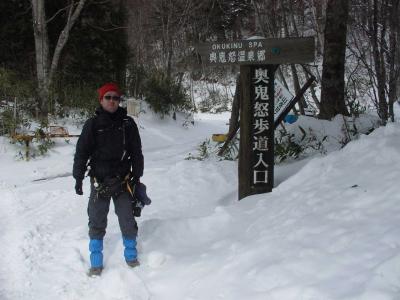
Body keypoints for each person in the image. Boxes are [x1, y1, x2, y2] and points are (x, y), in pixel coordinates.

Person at [73, 82, 144, 276]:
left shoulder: (128, 124)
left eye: (116, 97)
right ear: (101, 100)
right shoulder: (92, 125)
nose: (112, 101)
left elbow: (136, 152)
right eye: (108, 97)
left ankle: (131, 256)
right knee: (96, 219)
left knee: (127, 219)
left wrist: (137, 176)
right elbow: (81, 153)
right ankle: (96, 262)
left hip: (123, 180)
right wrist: (78, 177)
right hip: (99, 181)